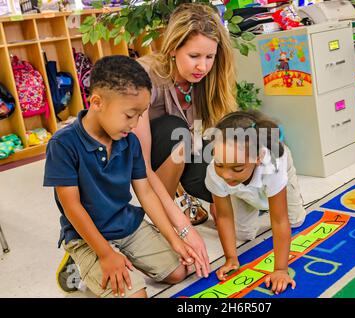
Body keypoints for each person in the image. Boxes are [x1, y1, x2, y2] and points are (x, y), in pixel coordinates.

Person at [44, 55, 205, 298]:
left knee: (179, 271)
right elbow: (72, 207)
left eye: (140, 115)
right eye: (129, 115)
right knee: (136, 295)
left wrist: (175, 239)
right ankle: (80, 260)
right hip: (86, 236)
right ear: (97, 102)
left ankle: (123, 255)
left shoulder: (129, 142)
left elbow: (147, 193)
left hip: (125, 224)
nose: (135, 124)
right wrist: (106, 255)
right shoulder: (63, 144)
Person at [135, 3, 236, 235]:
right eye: (194, 56)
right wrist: (178, 228)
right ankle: (162, 219)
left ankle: (185, 195)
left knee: (224, 153)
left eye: (210, 56)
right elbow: (142, 164)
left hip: (184, 148)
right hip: (138, 156)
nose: (203, 66)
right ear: (172, 49)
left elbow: (208, 136)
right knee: (176, 131)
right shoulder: (145, 75)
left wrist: (218, 197)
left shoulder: (209, 78)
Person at [204, 110, 306, 295]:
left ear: (257, 158)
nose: (226, 175)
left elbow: (279, 220)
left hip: (275, 174)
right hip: (242, 186)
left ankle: (269, 199)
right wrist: (231, 258)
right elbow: (224, 216)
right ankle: (254, 199)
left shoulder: (272, 166)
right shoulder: (215, 171)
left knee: (294, 221)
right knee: (243, 234)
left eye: (236, 168)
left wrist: (280, 270)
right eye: (220, 165)